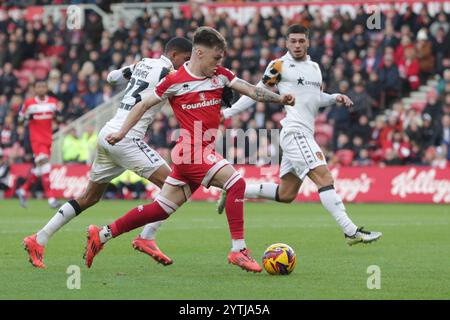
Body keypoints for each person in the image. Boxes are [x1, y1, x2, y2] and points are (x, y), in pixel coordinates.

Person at [84, 27, 295, 273]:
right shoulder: (174, 80)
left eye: (221, 58)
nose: (219, 63)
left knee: (161, 208)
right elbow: (143, 104)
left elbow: (252, 90)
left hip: (200, 150)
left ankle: (102, 235)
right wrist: (121, 133)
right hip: (190, 150)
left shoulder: (221, 75)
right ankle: (239, 250)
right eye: (216, 57)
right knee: (236, 183)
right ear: (198, 53)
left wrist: (280, 99)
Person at [23, 37, 193, 269]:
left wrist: (131, 74)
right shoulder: (171, 74)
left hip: (107, 134)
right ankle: (146, 237)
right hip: (126, 138)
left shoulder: (143, 63)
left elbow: (111, 77)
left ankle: (38, 239)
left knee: (89, 197)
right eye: (185, 59)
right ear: (174, 55)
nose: (186, 64)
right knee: (177, 187)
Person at [219, 25, 382, 246]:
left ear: (308, 42)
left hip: (304, 132)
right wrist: (227, 113)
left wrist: (335, 97)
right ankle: (350, 231)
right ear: (286, 43)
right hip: (294, 132)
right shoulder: (279, 65)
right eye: (293, 41)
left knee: (287, 194)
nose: (297, 45)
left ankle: (235, 189)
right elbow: (254, 92)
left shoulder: (314, 67)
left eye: (301, 41)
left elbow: (313, 98)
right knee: (324, 178)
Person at [16, 80, 63, 209]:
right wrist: (26, 117)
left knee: (40, 168)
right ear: (35, 89)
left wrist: (59, 116)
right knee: (46, 167)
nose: (41, 89)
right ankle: (51, 198)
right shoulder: (29, 104)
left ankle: (23, 189)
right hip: (36, 141)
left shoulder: (53, 102)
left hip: (48, 140)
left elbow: (59, 121)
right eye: (38, 87)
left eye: (43, 86)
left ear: (47, 88)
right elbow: (19, 120)